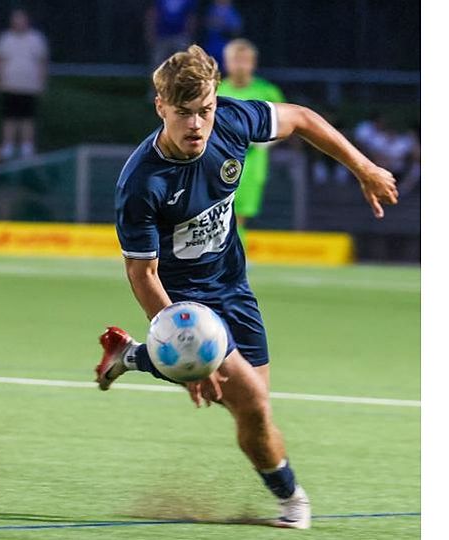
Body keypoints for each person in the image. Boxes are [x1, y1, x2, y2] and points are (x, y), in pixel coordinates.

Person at [94, 45, 398, 529]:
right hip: (185, 303)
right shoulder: (141, 184)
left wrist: (363, 168)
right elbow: (143, 274)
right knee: (251, 401)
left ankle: (130, 355)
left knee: (256, 416)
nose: (197, 125)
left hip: (234, 286)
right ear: (160, 107)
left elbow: (299, 117)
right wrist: (184, 342)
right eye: (183, 114)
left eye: (205, 111)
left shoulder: (233, 121)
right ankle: (293, 503)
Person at [216, 39, 284, 237]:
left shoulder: (267, 91)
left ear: (253, 63)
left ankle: (235, 261)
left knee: (239, 216)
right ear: (226, 63)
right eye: (235, 60)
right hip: (218, 161)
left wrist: (266, 141)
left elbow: (286, 124)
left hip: (251, 164)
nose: (239, 65)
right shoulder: (216, 89)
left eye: (244, 60)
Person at [0, 8, 49, 159]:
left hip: (29, 88)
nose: (19, 23)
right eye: (16, 20)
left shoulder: (36, 39)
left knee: (27, 119)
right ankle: (8, 146)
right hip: (10, 86)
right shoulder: (5, 39)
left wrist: (41, 83)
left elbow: (42, 63)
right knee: (9, 118)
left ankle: (27, 147)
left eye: (21, 19)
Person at [145, 0, 197, 72]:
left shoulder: (188, 1)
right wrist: (150, 32)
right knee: (158, 65)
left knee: (183, 65)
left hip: (180, 36)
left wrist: (189, 36)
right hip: (162, 36)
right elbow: (153, 14)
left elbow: (191, 18)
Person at [202, 0, 242, 66]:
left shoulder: (232, 12)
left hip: (225, 44)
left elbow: (236, 29)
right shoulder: (209, 9)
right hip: (210, 43)